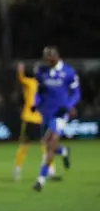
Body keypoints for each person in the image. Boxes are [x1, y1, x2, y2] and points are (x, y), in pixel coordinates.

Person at [32, 46, 79, 192]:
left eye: (49, 58)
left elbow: (76, 93)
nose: (47, 61)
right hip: (46, 112)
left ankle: (41, 179)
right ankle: (64, 151)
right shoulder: (42, 72)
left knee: (51, 142)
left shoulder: (69, 72)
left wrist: (70, 105)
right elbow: (38, 92)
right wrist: (36, 102)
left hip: (60, 113)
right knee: (46, 143)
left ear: (56, 57)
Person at [13, 62, 57, 181]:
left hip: (39, 119)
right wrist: (20, 70)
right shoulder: (31, 83)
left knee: (45, 145)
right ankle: (17, 169)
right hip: (29, 118)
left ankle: (50, 170)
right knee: (25, 146)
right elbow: (21, 79)